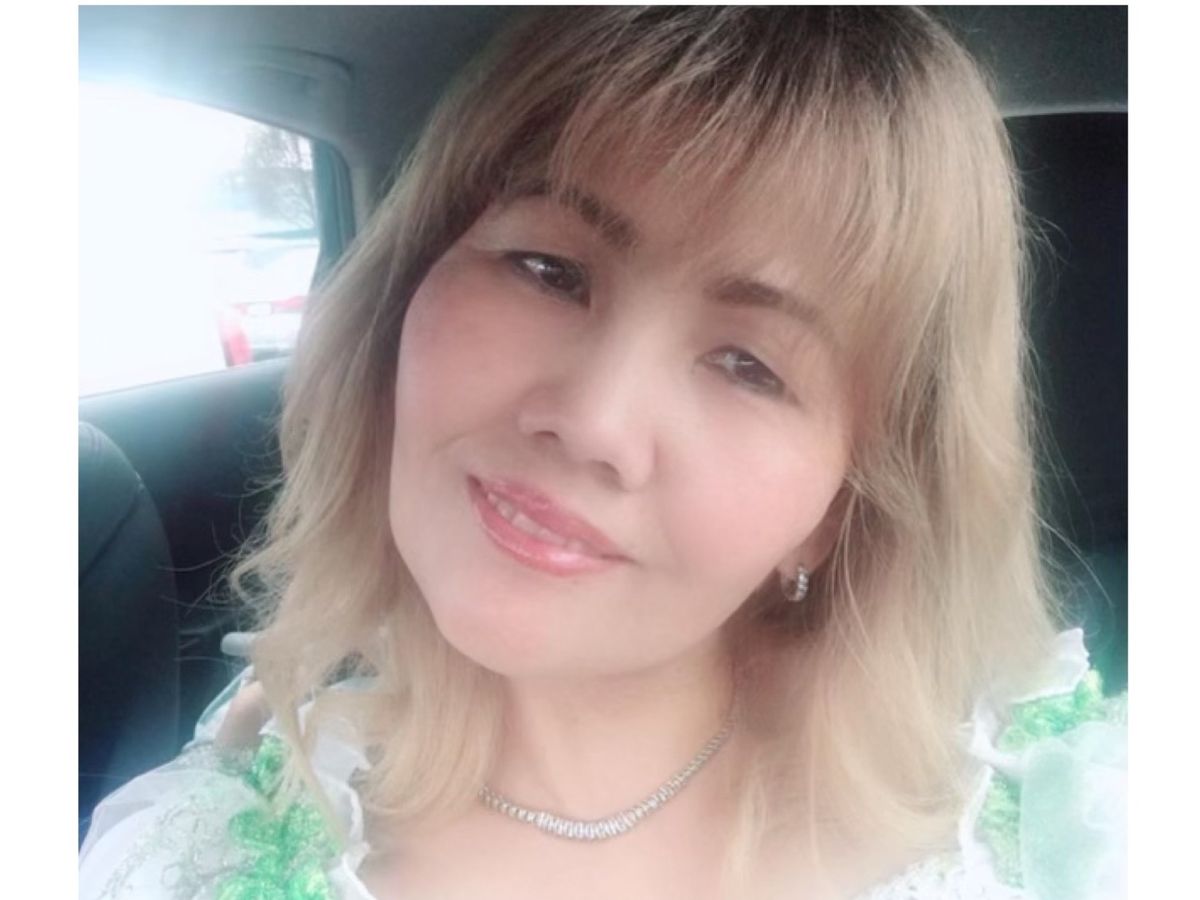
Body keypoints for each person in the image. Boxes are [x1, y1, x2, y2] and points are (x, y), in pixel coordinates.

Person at [79, 7, 1126, 899]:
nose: (594, 421)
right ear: (405, 292)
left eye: (749, 367)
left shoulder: (1075, 825)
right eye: (549, 270)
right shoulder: (186, 860)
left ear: (839, 505)